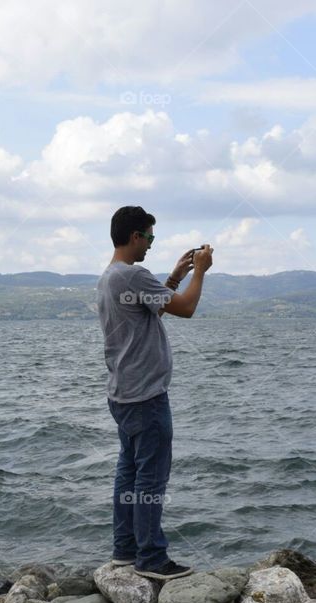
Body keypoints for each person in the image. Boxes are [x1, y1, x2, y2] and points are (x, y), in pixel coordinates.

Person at [96, 205, 213, 581]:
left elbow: (153, 310)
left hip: (123, 394)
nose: (150, 245)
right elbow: (187, 309)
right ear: (135, 237)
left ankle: (125, 551)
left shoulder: (110, 277)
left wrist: (176, 276)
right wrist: (200, 272)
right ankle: (151, 557)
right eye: (149, 237)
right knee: (151, 478)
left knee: (129, 472)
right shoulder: (133, 275)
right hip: (146, 396)